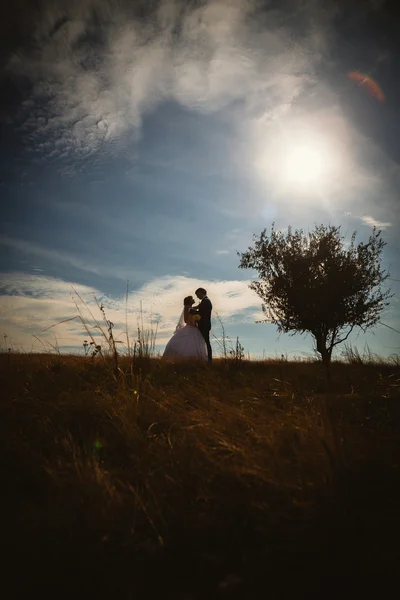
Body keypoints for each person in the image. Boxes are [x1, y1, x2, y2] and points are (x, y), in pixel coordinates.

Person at [162, 296, 208, 361]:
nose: (193, 299)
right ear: (189, 301)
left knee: (196, 345)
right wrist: (193, 324)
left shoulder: (191, 308)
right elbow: (186, 320)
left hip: (194, 328)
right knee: (189, 344)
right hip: (190, 327)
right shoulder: (187, 308)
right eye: (192, 299)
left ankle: (194, 361)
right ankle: (186, 361)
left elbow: (195, 309)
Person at [190, 288, 212, 362]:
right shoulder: (204, 301)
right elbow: (201, 311)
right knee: (204, 342)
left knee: (207, 342)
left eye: (198, 294)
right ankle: (206, 359)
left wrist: (192, 311)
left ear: (202, 293)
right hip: (203, 325)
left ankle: (209, 360)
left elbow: (202, 314)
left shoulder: (206, 301)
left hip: (204, 325)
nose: (197, 296)